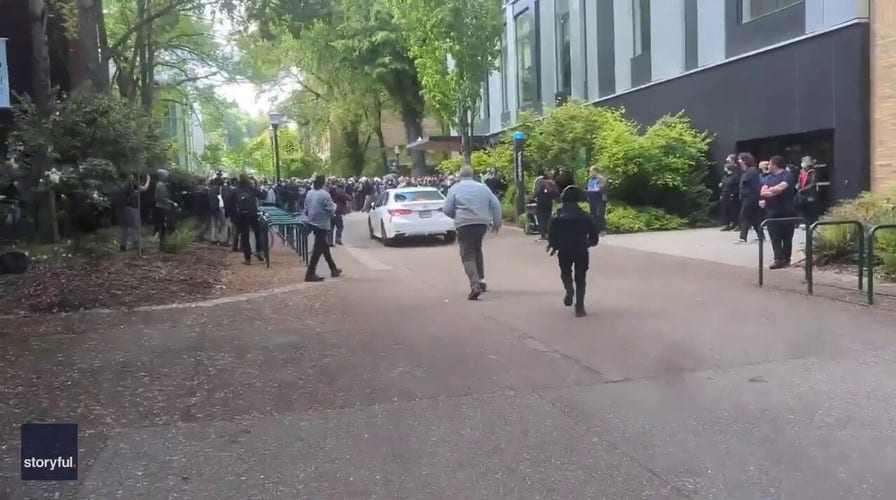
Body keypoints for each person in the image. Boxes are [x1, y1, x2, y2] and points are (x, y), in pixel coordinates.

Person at [442, 165, 502, 300]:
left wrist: (455, 216)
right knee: (477, 249)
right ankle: (481, 279)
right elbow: (496, 204)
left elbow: (446, 209)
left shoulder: (455, 188)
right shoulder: (482, 187)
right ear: (472, 174)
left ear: (460, 175)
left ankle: (475, 285)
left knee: (467, 255)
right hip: (481, 223)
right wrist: (496, 222)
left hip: (464, 224)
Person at [547, 186, 600, 317]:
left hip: (564, 249)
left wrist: (554, 245)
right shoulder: (585, 216)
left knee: (565, 272)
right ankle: (580, 307)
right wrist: (588, 243)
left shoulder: (557, 216)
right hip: (580, 248)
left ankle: (569, 288)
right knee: (581, 277)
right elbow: (594, 236)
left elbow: (551, 234)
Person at [760, 155, 797, 269]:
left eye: (769, 164)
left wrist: (771, 191)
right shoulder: (768, 178)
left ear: (775, 165)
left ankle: (786, 259)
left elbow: (781, 188)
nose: (768, 166)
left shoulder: (787, 175)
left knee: (787, 237)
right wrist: (773, 191)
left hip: (787, 211)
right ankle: (778, 259)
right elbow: (763, 192)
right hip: (772, 211)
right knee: (774, 237)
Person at [304, 174, 342, 282]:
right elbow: (331, 208)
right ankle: (310, 273)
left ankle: (333, 269)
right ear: (323, 183)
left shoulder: (310, 193)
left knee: (324, 247)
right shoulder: (325, 194)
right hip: (322, 223)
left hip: (312, 221)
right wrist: (334, 209)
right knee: (318, 249)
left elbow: (306, 207)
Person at [227, 173, 264, 265]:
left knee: (244, 236)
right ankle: (259, 250)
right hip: (253, 213)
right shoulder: (252, 189)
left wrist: (233, 214)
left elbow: (229, 202)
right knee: (257, 232)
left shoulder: (236, 190)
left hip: (242, 214)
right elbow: (263, 196)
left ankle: (247, 258)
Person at [119, 172, 151, 251]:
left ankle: (123, 245)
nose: (138, 181)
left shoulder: (123, 186)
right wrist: (148, 180)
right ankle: (137, 246)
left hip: (123, 208)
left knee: (125, 228)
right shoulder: (132, 186)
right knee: (135, 227)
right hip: (132, 208)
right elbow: (145, 188)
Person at [737, 153, 763, 244]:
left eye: (740, 159)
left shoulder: (752, 171)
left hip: (751, 197)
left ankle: (743, 237)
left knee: (744, 216)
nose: (739, 161)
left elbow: (756, 185)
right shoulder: (745, 171)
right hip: (747, 197)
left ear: (745, 160)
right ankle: (761, 236)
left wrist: (760, 198)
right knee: (754, 218)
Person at [152, 169, 177, 252]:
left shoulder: (162, 184)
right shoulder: (160, 185)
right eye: (166, 175)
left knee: (164, 227)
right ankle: (163, 246)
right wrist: (172, 202)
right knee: (164, 227)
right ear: (162, 176)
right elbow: (161, 198)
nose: (167, 177)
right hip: (162, 208)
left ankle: (164, 245)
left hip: (163, 208)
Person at [533, 172, 559, 241]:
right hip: (549, 202)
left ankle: (543, 235)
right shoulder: (551, 183)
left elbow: (536, 192)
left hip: (541, 202)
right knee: (548, 217)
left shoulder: (539, 182)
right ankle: (549, 234)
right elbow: (555, 193)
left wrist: (533, 198)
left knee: (541, 218)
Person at [719, 159, 741, 231]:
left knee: (734, 210)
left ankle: (737, 224)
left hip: (732, 195)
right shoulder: (725, 176)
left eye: (725, 168)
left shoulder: (735, 176)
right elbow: (723, 184)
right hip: (725, 194)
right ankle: (727, 224)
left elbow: (736, 186)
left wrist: (733, 194)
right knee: (725, 210)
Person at [585, 165, 608, 233]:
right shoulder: (591, 179)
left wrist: (592, 190)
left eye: (591, 172)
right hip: (592, 199)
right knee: (593, 214)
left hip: (600, 198)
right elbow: (589, 187)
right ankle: (595, 230)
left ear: (595, 171)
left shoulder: (601, 179)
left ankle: (603, 229)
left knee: (600, 214)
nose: (590, 173)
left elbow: (601, 188)